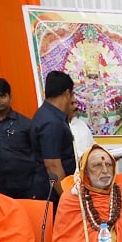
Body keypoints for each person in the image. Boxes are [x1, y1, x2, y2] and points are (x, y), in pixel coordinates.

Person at [52, 144, 122, 242]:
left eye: (109, 165)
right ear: (85, 171)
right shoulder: (72, 198)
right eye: (97, 165)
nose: (105, 170)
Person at [31, 70, 77, 201]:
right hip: (54, 194)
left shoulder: (46, 114)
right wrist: (67, 199)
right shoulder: (51, 122)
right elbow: (52, 165)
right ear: (67, 93)